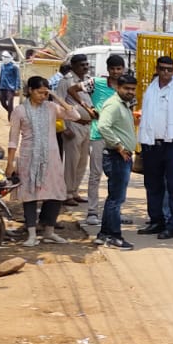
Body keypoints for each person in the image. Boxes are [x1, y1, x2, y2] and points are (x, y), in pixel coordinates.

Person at [4, 76, 80, 246]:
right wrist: (10, 163)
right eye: (39, 92)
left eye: (45, 93)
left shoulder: (52, 107)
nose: (42, 96)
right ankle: (31, 234)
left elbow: (74, 115)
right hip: (28, 157)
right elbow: (13, 139)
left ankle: (49, 232)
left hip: (51, 158)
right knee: (30, 195)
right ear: (30, 90)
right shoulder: (20, 111)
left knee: (56, 193)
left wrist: (56, 96)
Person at [138, 55, 173, 239]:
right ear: (157, 68)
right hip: (151, 145)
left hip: (172, 146)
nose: (165, 73)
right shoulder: (151, 89)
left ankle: (172, 225)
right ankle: (156, 221)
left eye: (169, 70)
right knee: (152, 185)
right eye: (162, 69)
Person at [94, 72, 138, 250]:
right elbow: (103, 126)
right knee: (116, 199)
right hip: (116, 156)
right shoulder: (113, 104)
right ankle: (114, 236)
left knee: (114, 198)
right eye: (126, 88)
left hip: (121, 156)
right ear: (117, 88)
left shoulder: (124, 104)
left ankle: (104, 234)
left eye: (133, 89)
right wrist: (119, 146)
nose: (130, 92)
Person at [82, 54, 126, 227]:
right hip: (98, 134)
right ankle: (92, 211)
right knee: (95, 174)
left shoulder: (125, 87)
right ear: (107, 70)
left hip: (119, 137)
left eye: (119, 69)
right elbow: (73, 90)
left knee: (118, 176)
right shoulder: (96, 83)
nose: (116, 72)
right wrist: (88, 107)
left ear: (123, 69)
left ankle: (115, 211)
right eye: (113, 69)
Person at [57, 54, 95, 205]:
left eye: (86, 64)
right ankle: (66, 193)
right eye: (81, 65)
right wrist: (64, 127)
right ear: (73, 66)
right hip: (73, 124)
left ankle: (74, 190)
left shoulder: (87, 80)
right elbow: (58, 103)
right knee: (72, 161)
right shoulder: (65, 81)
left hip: (87, 125)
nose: (85, 67)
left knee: (82, 161)